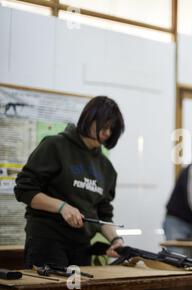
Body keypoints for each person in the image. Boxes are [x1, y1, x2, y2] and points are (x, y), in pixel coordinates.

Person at [14, 96, 125, 268]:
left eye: (112, 129)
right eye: (104, 126)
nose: (107, 133)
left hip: (82, 247)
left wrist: (115, 240)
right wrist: (62, 207)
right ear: (89, 117)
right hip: (47, 242)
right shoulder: (55, 146)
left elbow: (103, 215)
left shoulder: (107, 168)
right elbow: (24, 190)